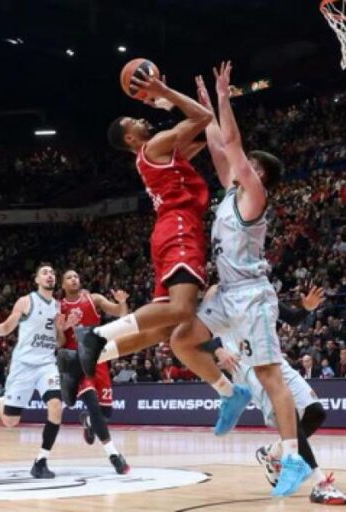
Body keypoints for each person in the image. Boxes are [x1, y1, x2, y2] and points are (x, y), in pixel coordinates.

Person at [167, 63, 311, 498]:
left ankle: (292, 458)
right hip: (227, 295)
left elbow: (231, 143)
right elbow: (218, 145)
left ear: (258, 172)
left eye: (246, 163)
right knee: (181, 338)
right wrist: (207, 110)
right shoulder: (231, 192)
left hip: (251, 297)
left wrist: (226, 98)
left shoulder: (254, 194)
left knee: (270, 376)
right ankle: (229, 393)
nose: (236, 163)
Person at [78, 60, 217, 381]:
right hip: (178, 225)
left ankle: (97, 353)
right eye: (134, 119)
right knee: (181, 311)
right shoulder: (154, 146)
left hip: (168, 228)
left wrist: (163, 102)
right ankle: (95, 338)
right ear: (129, 138)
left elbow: (206, 137)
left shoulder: (156, 154)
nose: (142, 117)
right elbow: (204, 118)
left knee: (165, 328)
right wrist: (164, 91)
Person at [206, 285, 346, 505]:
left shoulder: (260, 285)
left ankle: (272, 453)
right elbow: (200, 330)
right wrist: (218, 350)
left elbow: (291, 318)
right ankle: (320, 483)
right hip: (246, 365)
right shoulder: (218, 292)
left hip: (274, 359)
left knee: (316, 412)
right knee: (288, 415)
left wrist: (306, 308)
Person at [0, 263, 68, 479]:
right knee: (10, 421)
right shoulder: (26, 301)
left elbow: (60, 342)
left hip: (47, 364)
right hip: (24, 365)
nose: (50, 276)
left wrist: (61, 328)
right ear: (37, 280)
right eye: (45, 273)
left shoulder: (57, 306)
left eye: (52, 273)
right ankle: (1, 400)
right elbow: (7, 328)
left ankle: (41, 461)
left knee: (56, 406)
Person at [56, 269, 131, 474]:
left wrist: (121, 301)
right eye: (69, 277)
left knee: (105, 414)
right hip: (75, 361)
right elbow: (60, 342)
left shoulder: (94, 298)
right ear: (62, 284)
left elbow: (121, 315)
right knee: (94, 406)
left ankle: (87, 421)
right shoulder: (59, 307)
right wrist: (62, 328)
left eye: (76, 277)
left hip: (99, 359)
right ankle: (114, 455)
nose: (74, 279)